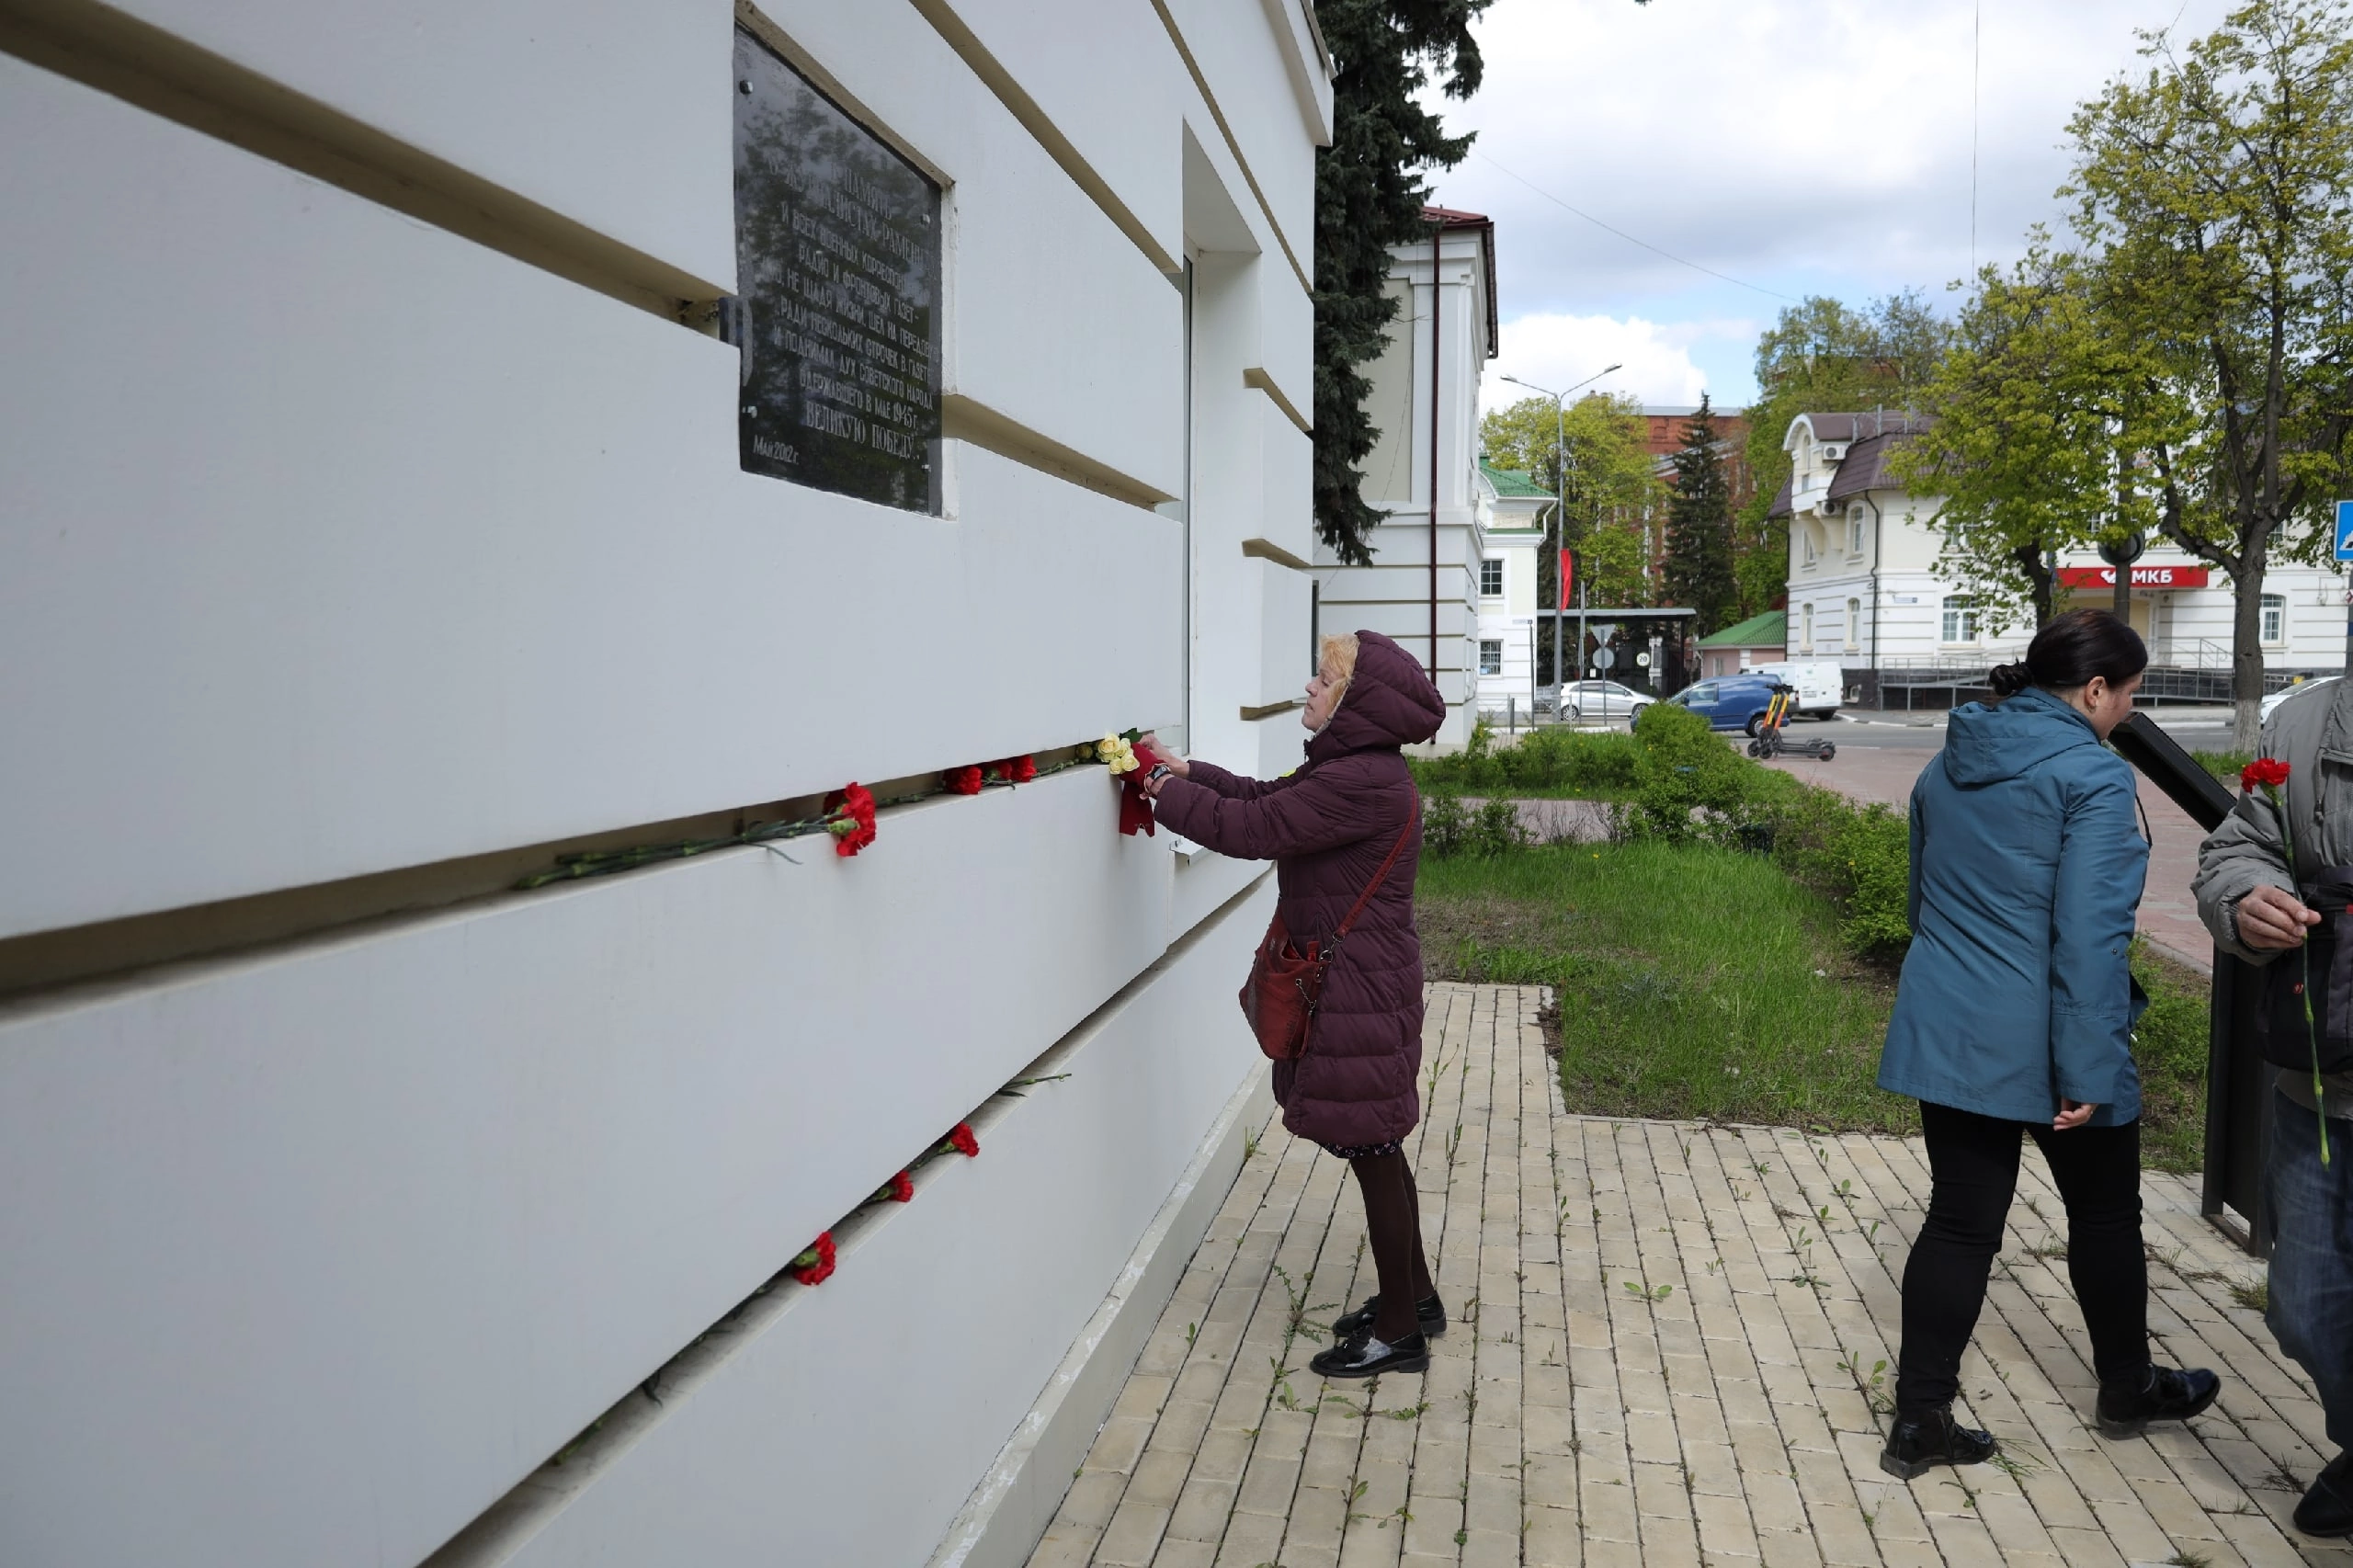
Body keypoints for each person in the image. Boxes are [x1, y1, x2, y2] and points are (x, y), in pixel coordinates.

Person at [1877, 608, 2220, 1480]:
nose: (2126, 718)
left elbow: (1920, 902)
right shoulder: (2094, 781)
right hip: (2054, 1035)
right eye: (2128, 699)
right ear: (2094, 690)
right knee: (2104, 1216)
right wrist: (2090, 1067)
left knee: (1958, 1225)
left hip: (1951, 1022)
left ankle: (1920, 1423)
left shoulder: (1945, 761)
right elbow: (2090, 939)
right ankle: (2128, 1386)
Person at [1141, 630, 1446, 1378]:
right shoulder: (1354, 771)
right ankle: (1418, 1300)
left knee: (1372, 1148)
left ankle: (1402, 1332)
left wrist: (1158, 793)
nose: (1308, 690)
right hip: (1367, 981)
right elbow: (1266, 799)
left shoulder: (1362, 782)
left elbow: (1252, 830)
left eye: (1322, 682)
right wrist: (1189, 773)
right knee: (1377, 1146)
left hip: (1358, 989)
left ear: (1355, 704)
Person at [2195, 676, 2353, 1540]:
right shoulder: (2301, 724)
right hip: (2320, 1085)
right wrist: (2245, 898)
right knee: (2304, 1305)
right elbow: (2235, 852)